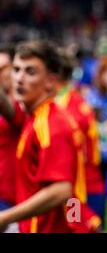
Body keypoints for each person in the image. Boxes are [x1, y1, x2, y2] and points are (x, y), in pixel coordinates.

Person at [0, 40, 88, 233]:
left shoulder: (50, 125)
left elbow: (61, 190)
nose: (19, 79)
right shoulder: (36, 118)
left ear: (51, 81)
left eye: (30, 72)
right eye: (16, 69)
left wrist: (5, 217)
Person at [54, 50, 104, 230]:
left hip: (80, 189)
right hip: (83, 185)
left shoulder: (69, 110)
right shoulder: (72, 102)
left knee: (79, 228)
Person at [0, 44, 26, 233]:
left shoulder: (23, 102)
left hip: (13, 197)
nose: (3, 74)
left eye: (5, 68)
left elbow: (12, 114)